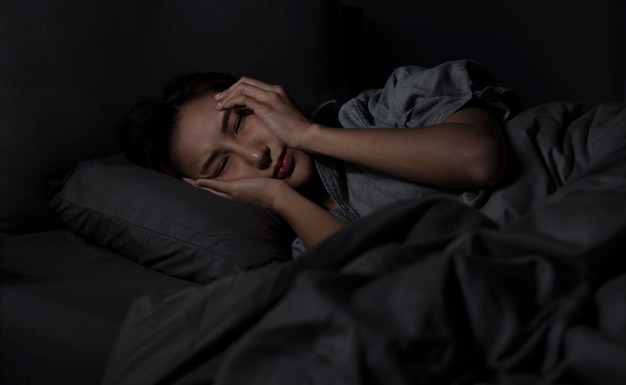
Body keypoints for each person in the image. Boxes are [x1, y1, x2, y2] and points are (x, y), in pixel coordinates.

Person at [119, 60, 521, 255]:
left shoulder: (389, 105)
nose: (256, 154)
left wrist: (310, 134)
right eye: (223, 165)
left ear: (261, 96)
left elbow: (477, 159)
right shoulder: (306, 244)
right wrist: (279, 198)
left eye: (241, 122)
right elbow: (384, 279)